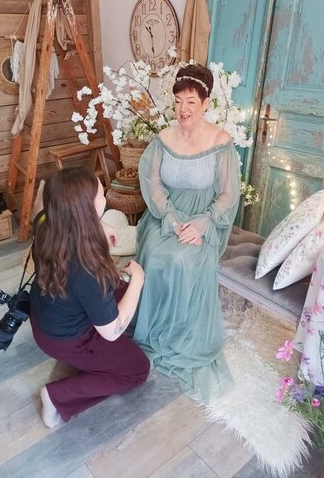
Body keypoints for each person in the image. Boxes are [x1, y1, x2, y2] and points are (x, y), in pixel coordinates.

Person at [132, 63, 241, 404]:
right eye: (178, 101)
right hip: (166, 216)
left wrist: (203, 223)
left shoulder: (220, 143)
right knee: (155, 254)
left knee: (182, 259)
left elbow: (229, 194)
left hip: (205, 220)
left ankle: (178, 333)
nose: (183, 109)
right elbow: (153, 183)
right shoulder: (164, 140)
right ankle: (152, 328)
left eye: (191, 102)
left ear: (206, 103)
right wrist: (171, 218)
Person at [30, 167, 149, 428]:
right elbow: (112, 332)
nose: (105, 198)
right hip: (65, 339)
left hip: (45, 316)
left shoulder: (45, 223)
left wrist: (99, 224)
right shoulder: (87, 268)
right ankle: (56, 396)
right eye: (101, 195)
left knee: (118, 288)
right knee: (137, 369)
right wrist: (138, 280)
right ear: (84, 210)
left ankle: (94, 360)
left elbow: (43, 197)